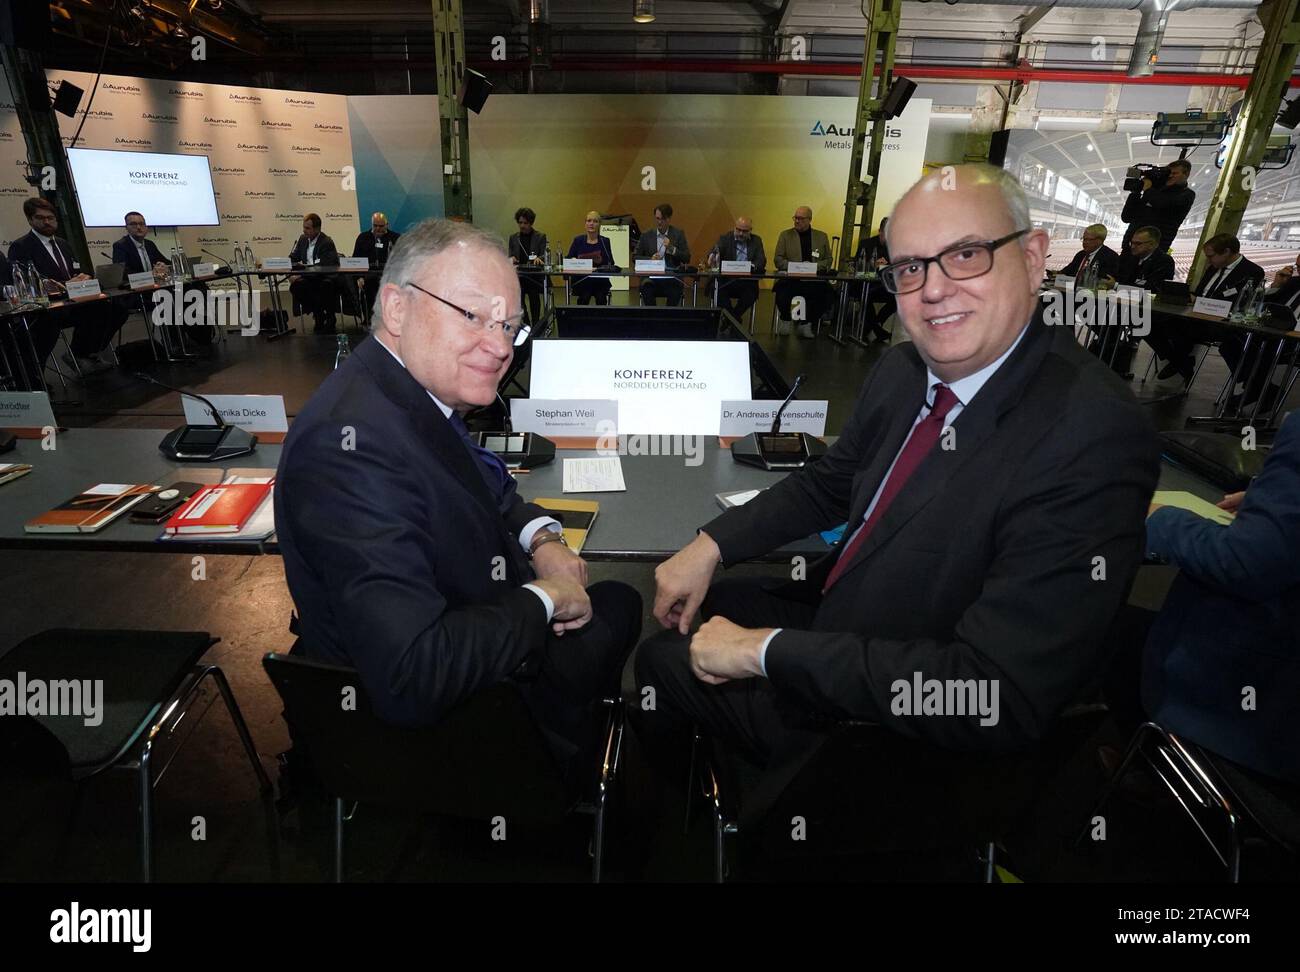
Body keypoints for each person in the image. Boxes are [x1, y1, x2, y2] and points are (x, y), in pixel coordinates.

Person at [633, 164, 1160, 831]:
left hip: (886, 729)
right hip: (844, 613)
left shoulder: (1091, 434)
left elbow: (995, 692)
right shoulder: (906, 367)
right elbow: (833, 482)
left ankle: (735, 821)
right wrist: (710, 544)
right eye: (909, 268)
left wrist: (764, 650)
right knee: (693, 609)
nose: (933, 290)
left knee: (659, 657)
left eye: (965, 255)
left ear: (1032, 258)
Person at [274, 218, 641, 788]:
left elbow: (487, 479)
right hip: (456, 725)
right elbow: (412, 677)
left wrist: (540, 537)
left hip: (478, 623)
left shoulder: (406, 391)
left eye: (509, 327)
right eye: (473, 316)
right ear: (396, 309)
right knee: (620, 604)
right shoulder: (349, 448)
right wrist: (544, 598)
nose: (499, 348)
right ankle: (561, 766)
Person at [1103, 411, 1300, 784]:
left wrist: (1162, 520)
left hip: (1267, 711)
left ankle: (1161, 770)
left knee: (1106, 631)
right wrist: (1268, 498)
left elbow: (1245, 564)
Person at [7, 197, 127, 375]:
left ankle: (83, 353)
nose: (47, 222)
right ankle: (36, 376)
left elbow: (74, 270)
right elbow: (27, 282)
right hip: (48, 308)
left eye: (50, 217)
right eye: (41, 218)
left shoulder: (63, 243)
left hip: (74, 301)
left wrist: (82, 277)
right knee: (49, 324)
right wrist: (65, 285)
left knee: (115, 307)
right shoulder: (21, 246)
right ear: (30, 220)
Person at [1147, 233, 1264, 386]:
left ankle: (1179, 360)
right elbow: (1199, 292)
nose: (1208, 260)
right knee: (1149, 323)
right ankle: (1180, 360)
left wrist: (1201, 302)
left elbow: (1238, 302)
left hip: (1218, 322)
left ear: (1227, 252)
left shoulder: (1252, 271)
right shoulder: (1214, 267)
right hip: (1194, 315)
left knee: (1175, 327)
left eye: (1211, 256)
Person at [113, 211, 212, 346]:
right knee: (169, 298)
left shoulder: (149, 244)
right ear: (127, 228)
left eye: (142, 224)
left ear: (146, 227)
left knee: (193, 289)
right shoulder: (120, 246)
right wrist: (151, 274)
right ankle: (175, 343)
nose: (138, 227)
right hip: (138, 294)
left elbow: (165, 262)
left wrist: (165, 266)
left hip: (157, 289)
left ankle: (200, 335)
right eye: (133, 224)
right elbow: (123, 272)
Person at [1094, 226, 1175, 376]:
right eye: (1132, 243)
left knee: (1117, 321)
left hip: (1147, 310)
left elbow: (1150, 291)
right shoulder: (1130, 258)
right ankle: (1104, 352)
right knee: (1093, 312)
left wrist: (1117, 286)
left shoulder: (1164, 262)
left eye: (1139, 243)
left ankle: (1114, 359)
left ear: (1153, 244)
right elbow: (1122, 280)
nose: (1133, 246)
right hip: (1123, 305)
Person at [773, 206, 834, 339]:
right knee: (782, 289)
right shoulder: (785, 235)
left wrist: (814, 266)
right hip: (791, 277)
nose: (797, 221)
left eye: (801, 218)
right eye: (795, 218)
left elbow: (828, 259)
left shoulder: (821, 236)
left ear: (809, 220)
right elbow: (778, 259)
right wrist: (796, 267)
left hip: (813, 278)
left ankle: (806, 323)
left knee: (828, 293)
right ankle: (785, 319)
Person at [1120, 159, 1194, 255]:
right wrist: (1135, 193)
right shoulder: (1153, 191)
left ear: (1186, 174)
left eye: (1175, 173)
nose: (1170, 176)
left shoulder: (1187, 195)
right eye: (1168, 173)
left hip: (1154, 251)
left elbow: (1161, 204)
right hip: (1130, 247)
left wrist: (1147, 189)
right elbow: (1127, 217)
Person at [289, 213, 341, 334]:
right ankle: (318, 313)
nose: (304, 231)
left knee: (324, 286)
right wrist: (287, 268)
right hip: (309, 277)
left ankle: (329, 316)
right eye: (304, 227)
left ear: (317, 229)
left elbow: (324, 267)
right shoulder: (302, 239)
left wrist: (301, 274)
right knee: (296, 287)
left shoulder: (326, 242)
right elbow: (293, 257)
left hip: (324, 277)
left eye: (308, 228)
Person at [632, 203, 691, 307]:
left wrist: (672, 249)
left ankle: (668, 320)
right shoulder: (646, 235)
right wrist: (650, 259)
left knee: (675, 290)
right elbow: (635, 257)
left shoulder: (678, 234)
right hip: (651, 278)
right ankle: (653, 319)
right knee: (647, 288)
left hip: (672, 278)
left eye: (662, 219)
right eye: (657, 218)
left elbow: (687, 257)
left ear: (669, 219)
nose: (659, 222)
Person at [710, 217, 766, 322]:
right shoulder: (726, 238)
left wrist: (751, 266)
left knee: (751, 293)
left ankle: (730, 319)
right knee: (717, 290)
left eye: (744, 231)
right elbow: (716, 249)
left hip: (746, 281)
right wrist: (713, 254)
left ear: (750, 230)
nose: (740, 233)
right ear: (734, 227)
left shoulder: (756, 240)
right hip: (727, 280)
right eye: (738, 229)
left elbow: (761, 260)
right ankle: (734, 319)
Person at [350, 212, 401, 320]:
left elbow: (401, 260)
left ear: (387, 225)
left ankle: (390, 318)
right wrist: (359, 277)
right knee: (369, 285)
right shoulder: (363, 237)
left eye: (381, 226)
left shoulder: (395, 238)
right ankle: (370, 319)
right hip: (368, 275)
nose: (378, 229)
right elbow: (355, 260)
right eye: (375, 226)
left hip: (389, 276)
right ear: (372, 225)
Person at [854, 217, 895, 343]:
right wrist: (873, 264)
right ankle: (874, 328)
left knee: (899, 298)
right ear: (880, 231)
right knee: (867, 296)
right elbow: (857, 267)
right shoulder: (866, 244)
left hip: (884, 285)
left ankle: (875, 324)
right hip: (863, 284)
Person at [507, 207, 548, 327]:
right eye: (520, 223)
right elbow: (511, 255)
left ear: (531, 223)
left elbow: (544, 255)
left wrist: (539, 259)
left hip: (534, 275)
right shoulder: (514, 238)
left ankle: (536, 323)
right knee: (519, 298)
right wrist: (512, 258)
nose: (522, 225)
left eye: (525, 223)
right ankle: (526, 323)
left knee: (534, 297)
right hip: (519, 274)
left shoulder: (540, 236)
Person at [566, 212, 617, 306]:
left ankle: (600, 320)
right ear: (585, 224)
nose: (591, 223)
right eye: (589, 221)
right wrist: (573, 259)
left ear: (599, 225)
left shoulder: (604, 241)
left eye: (595, 221)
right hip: (582, 279)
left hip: (599, 280)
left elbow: (611, 262)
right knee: (585, 296)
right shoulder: (578, 240)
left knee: (601, 298)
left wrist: (601, 261)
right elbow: (568, 258)